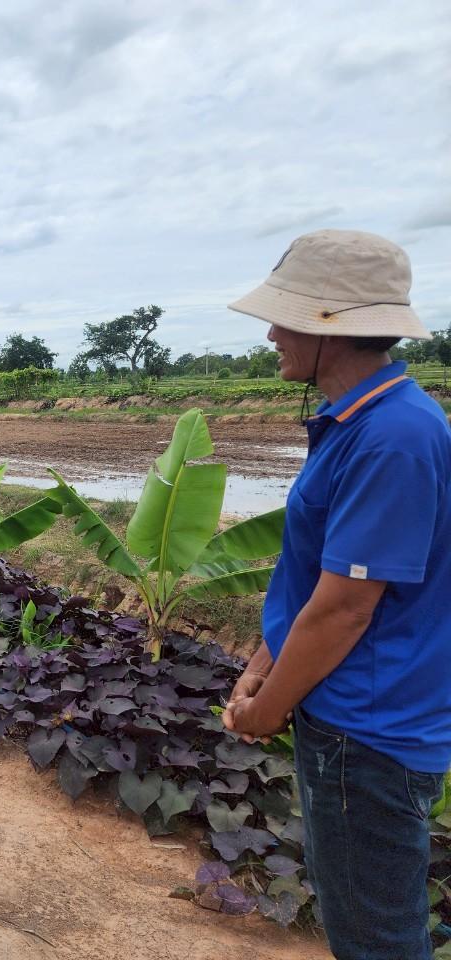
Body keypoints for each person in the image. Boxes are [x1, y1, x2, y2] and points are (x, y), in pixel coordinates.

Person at [222, 230, 450, 959]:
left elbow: (346, 608)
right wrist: (262, 660)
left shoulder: (393, 437)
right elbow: (314, 577)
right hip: (348, 719)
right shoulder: (362, 422)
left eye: (285, 316)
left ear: (332, 326)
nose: (270, 333)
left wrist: (267, 707)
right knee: (354, 916)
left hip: (368, 733)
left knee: (376, 939)